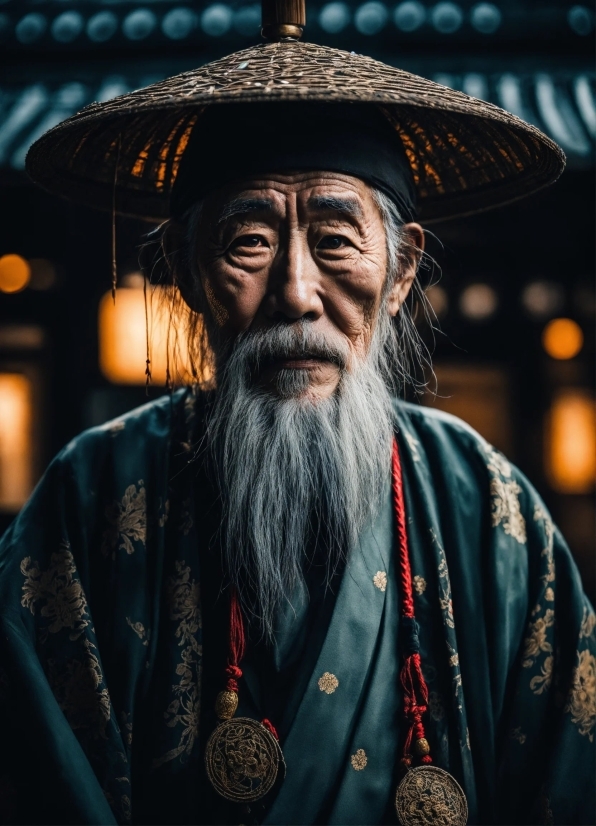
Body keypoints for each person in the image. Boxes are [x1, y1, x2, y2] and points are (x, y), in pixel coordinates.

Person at [1, 17, 594, 826]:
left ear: (402, 269)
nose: (296, 292)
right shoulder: (91, 497)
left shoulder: (492, 512)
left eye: (336, 241)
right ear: (183, 272)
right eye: (248, 241)